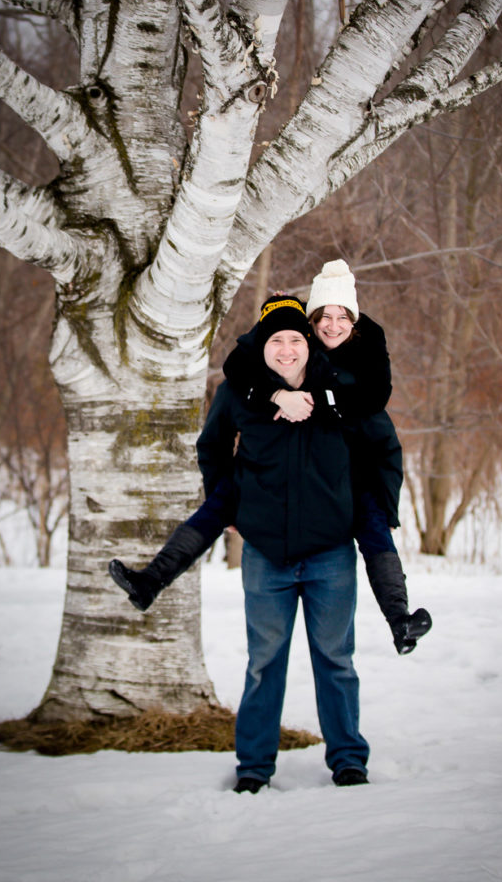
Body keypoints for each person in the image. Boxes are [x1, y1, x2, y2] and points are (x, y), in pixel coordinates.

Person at [109, 262, 432, 654]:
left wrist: (387, 501)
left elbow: (383, 434)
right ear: (311, 324)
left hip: (352, 472)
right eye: (322, 318)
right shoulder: (277, 358)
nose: (332, 326)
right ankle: (149, 582)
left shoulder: (364, 356)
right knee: (217, 505)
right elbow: (240, 365)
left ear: (353, 320)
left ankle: (399, 620)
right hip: (270, 481)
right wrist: (278, 394)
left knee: (374, 527)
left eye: (341, 317)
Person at [206, 296, 369, 790]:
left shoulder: (339, 388)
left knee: (336, 660)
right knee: (264, 662)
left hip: (331, 554)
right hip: (266, 555)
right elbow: (211, 448)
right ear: (263, 345)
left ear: (308, 343)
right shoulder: (238, 393)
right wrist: (229, 507)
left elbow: (369, 448)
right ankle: (254, 767)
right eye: (276, 339)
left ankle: (348, 760)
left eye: (295, 338)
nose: (286, 348)